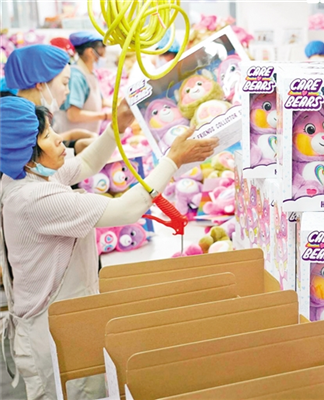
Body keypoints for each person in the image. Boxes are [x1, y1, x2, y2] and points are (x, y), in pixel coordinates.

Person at [0, 96, 219, 400]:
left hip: (69, 318)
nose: (60, 140)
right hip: (52, 330)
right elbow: (126, 210)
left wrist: (119, 123)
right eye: (49, 136)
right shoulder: (33, 199)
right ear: (26, 155)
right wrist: (172, 161)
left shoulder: (29, 173)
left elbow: (87, 163)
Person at [3, 44, 97, 155]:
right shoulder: (21, 123)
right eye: (65, 83)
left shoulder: (23, 115)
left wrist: (73, 137)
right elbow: (40, 159)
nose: (68, 91)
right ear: (40, 84)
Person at [53, 32, 111, 135]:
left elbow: (100, 101)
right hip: (71, 139)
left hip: (86, 137)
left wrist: (119, 105)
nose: (104, 56)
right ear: (90, 52)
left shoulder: (90, 73)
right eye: (102, 52)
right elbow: (73, 115)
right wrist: (105, 116)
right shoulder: (76, 76)